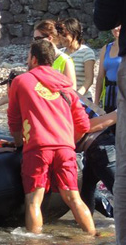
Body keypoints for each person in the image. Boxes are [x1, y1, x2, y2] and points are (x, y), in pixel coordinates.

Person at [7, 40, 95, 235]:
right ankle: (91, 237)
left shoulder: (21, 81)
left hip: (37, 147)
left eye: (28, 57)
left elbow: (14, 120)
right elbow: (84, 125)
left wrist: (19, 144)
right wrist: (68, 142)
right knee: (74, 198)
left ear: (34, 58)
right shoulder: (65, 86)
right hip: (65, 147)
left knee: (33, 200)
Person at [92, 0, 126, 245]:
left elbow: (104, 12)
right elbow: (102, 78)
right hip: (113, 95)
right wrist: (101, 101)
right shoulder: (106, 52)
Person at [0, 20, 78, 115]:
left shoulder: (66, 61)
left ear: (50, 38)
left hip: (57, 112)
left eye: (37, 38)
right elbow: (24, 87)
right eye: (34, 39)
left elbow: (72, 93)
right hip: (38, 111)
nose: (34, 42)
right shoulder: (36, 59)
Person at [58, 18, 96, 99]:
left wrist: (76, 96)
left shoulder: (86, 52)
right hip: (63, 99)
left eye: (65, 35)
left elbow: (89, 80)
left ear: (75, 34)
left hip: (82, 99)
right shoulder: (59, 53)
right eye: (60, 34)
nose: (61, 37)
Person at [94, 26, 121, 113]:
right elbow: (100, 77)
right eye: (114, 25)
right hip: (108, 98)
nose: (116, 28)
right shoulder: (106, 48)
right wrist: (96, 103)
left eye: (119, 25)